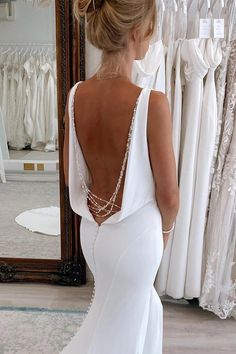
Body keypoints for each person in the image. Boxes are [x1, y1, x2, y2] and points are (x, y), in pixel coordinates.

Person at [62, 0, 179, 353]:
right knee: (121, 335)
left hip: (94, 236)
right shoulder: (151, 102)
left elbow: (71, 178)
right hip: (136, 239)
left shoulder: (76, 95)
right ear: (136, 31)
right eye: (151, 25)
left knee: (122, 317)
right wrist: (164, 235)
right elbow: (169, 196)